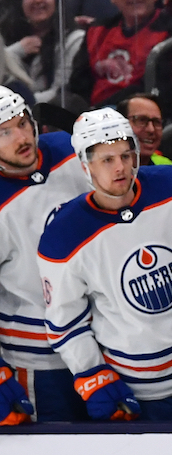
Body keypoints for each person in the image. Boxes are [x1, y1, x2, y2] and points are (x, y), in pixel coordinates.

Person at [37, 108, 172, 421]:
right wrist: (92, 374)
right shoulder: (63, 235)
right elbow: (66, 323)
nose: (121, 167)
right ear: (84, 165)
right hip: (143, 388)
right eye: (107, 159)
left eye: (126, 155)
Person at [0, 88, 91, 424]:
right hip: (39, 363)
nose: (21, 137)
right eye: (5, 132)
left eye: (24, 123)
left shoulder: (70, 150)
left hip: (103, 345)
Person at [1, 0, 83, 106]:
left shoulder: (74, 39)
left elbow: (60, 93)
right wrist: (17, 50)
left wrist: (22, 101)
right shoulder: (9, 34)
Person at [118, 94, 172, 166]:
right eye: (141, 120)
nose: (151, 129)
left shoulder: (168, 169)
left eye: (156, 122)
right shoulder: (102, 172)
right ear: (120, 124)